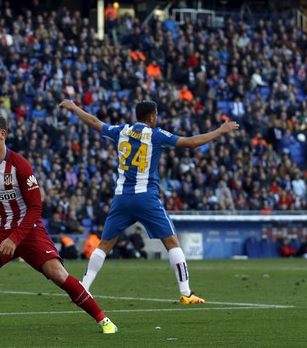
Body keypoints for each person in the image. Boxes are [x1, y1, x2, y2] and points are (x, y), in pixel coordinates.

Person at [0, 115, 117, 334]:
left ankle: (104, 320)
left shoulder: (20, 165)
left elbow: (36, 209)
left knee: (58, 275)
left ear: (1, 134)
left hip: (30, 231)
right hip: (2, 233)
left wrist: (14, 239)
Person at [59, 99, 239, 304]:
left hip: (122, 198)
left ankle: (84, 287)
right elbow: (191, 142)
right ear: (152, 117)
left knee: (104, 244)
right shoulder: (156, 135)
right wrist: (220, 130)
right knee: (172, 243)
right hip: (146, 198)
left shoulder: (122, 131)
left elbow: (93, 121)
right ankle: (186, 293)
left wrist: (74, 107)